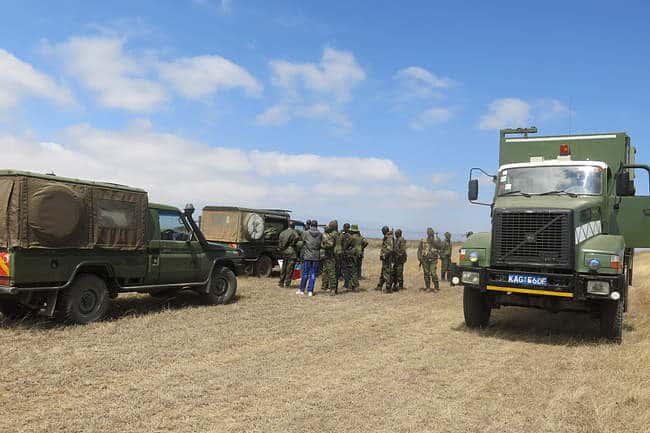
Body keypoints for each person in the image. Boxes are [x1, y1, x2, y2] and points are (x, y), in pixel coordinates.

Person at [298, 220, 322, 296]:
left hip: (307, 255)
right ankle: (310, 291)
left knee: (305, 273)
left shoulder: (306, 233)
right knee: (313, 274)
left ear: (310, 225)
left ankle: (302, 290)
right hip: (316, 256)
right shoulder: (320, 234)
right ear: (317, 226)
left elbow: (302, 241)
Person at [417, 227, 442, 291]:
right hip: (425, 259)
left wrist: (434, 242)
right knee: (426, 273)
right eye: (429, 233)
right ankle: (427, 287)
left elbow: (440, 247)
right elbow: (419, 250)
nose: (430, 234)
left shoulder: (437, 240)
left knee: (433, 273)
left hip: (433, 259)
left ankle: (436, 287)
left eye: (431, 233)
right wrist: (419, 257)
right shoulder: (423, 240)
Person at [278, 221, 300, 288]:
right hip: (291, 251)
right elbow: (297, 237)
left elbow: (280, 243)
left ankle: (281, 282)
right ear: (293, 226)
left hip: (284, 251)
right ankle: (287, 284)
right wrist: (293, 243)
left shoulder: (282, 232)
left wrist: (282, 249)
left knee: (284, 267)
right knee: (289, 269)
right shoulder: (294, 232)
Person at [320, 220, 339, 295]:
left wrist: (322, 245)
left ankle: (333, 289)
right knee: (335, 272)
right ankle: (334, 288)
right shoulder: (338, 234)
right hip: (338, 255)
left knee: (331, 272)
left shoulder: (332, 234)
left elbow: (330, 244)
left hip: (331, 255)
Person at [343, 224, 363, 291]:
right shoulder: (360, 237)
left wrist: (345, 250)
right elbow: (365, 242)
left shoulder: (351, 237)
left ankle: (355, 285)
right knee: (355, 270)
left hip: (352, 255)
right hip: (358, 255)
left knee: (351, 271)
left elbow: (346, 245)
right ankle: (352, 285)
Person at [376, 226, 394, 293]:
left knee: (387, 273)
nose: (382, 232)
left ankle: (388, 288)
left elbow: (390, 249)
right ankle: (379, 286)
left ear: (385, 231)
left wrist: (384, 255)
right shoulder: (387, 237)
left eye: (382, 231)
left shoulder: (389, 238)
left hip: (387, 258)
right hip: (385, 258)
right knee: (383, 272)